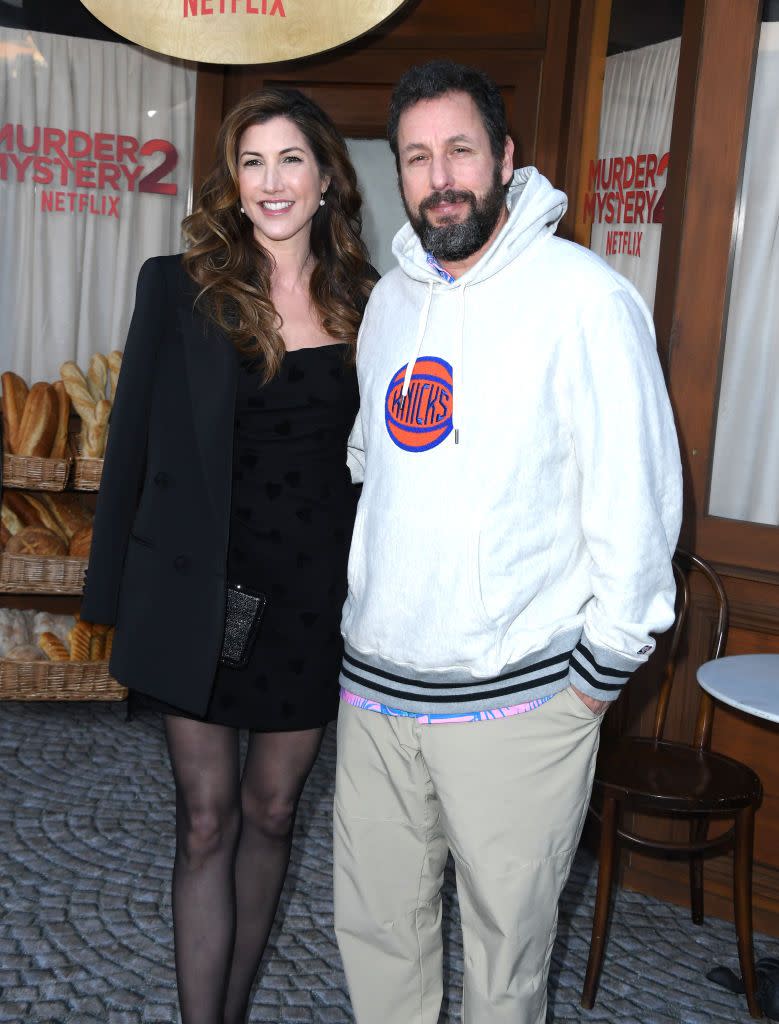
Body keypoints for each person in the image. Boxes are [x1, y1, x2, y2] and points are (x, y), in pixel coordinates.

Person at [333, 59, 682, 1024]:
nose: (439, 175)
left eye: (459, 150)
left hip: (519, 705)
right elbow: (376, 465)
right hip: (377, 695)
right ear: (396, 175)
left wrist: (593, 681)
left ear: (505, 159)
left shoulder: (583, 299)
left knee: (503, 966)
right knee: (377, 941)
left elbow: (636, 503)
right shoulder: (390, 303)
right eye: (416, 156)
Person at [80, 88, 376, 1024]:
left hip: (310, 601)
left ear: (327, 177)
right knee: (204, 820)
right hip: (198, 590)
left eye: (291, 160)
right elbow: (129, 442)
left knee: (273, 814)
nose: (271, 182)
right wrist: (109, 596)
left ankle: (235, 1008)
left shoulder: (375, 302)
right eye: (252, 163)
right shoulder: (179, 285)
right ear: (232, 181)